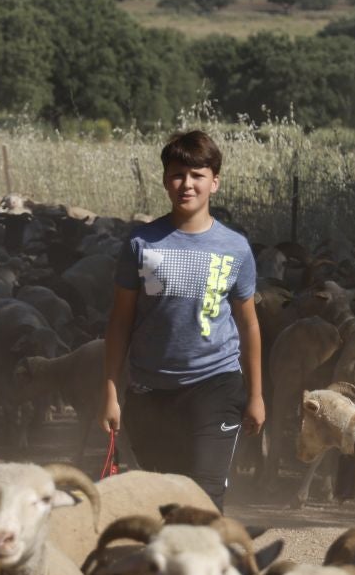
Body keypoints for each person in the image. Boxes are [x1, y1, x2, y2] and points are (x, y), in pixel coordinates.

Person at [101, 130, 263, 509]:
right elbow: (120, 322)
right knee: (165, 500)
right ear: (165, 180)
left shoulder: (235, 248)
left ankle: (209, 547)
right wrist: (110, 393)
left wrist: (255, 395)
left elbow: (249, 324)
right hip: (150, 391)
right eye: (177, 175)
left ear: (214, 182)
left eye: (197, 175)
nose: (187, 184)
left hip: (216, 385)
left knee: (205, 496)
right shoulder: (141, 243)